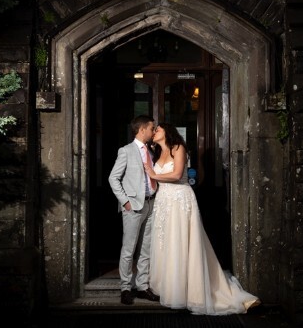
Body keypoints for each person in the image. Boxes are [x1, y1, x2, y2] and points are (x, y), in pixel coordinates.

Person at [144, 122, 261, 315]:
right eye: (153, 130)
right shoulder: (157, 154)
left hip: (180, 199)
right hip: (163, 200)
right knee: (166, 243)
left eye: (158, 129)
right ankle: (171, 288)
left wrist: (153, 174)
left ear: (167, 132)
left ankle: (194, 292)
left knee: (183, 242)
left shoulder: (178, 148)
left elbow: (177, 174)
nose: (154, 132)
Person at [108, 115, 160, 305]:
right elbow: (113, 178)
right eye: (151, 128)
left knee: (146, 249)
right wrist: (125, 202)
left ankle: (143, 287)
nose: (153, 131)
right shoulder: (126, 151)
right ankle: (125, 288)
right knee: (129, 249)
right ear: (142, 130)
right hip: (134, 206)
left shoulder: (152, 151)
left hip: (150, 204)